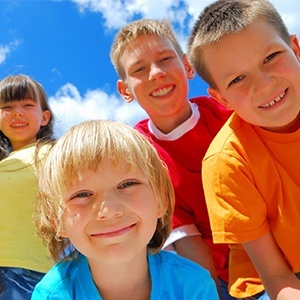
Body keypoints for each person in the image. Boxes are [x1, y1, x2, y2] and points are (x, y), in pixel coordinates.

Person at [110, 19, 233, 299]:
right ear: (125, 90)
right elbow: (188, 241)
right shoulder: (140, 154)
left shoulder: (227, 113)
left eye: (165, 59)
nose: (156, 73)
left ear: (188, 66)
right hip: (219, 276)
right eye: (139, 69)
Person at [31, 119, 218, 299]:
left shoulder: (194, 286)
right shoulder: (51, 295)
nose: (110, 210)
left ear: (160, 199)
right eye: (82, 195)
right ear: (56, 219)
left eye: (127, 184)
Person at [187, 0, 300, 299]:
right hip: (272, 282)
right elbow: (276, 276)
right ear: (222, 99)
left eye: (271, 57)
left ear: (296, 50)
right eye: (237, 79)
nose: (264, 86)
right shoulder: (226, 162)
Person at [0, 74, 55, 299]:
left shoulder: (54, 153)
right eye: (7, 106)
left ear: (44, 117)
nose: (17, 112)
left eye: (27, 105)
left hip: (29, 272)